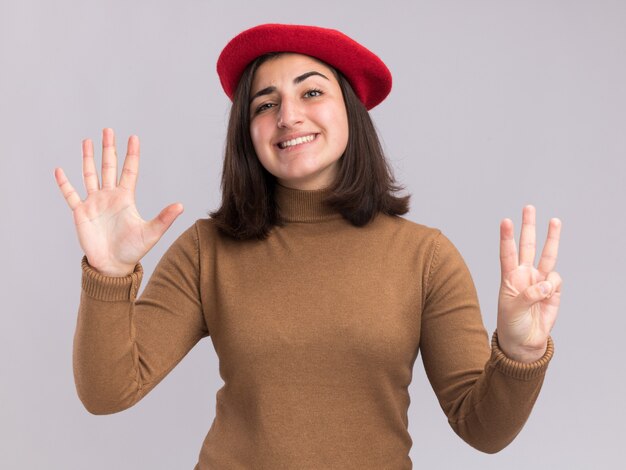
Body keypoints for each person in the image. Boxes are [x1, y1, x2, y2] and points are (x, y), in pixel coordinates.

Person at [54, 23, 563, 469]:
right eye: (266, 103)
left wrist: (521, 352)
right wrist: (109, 275)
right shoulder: (207, 250)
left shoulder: (425, 258)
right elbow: (107, 392)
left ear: (351, 112)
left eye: (312, 93)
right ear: (247, 133)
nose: (288, 116)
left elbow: (483, 430)